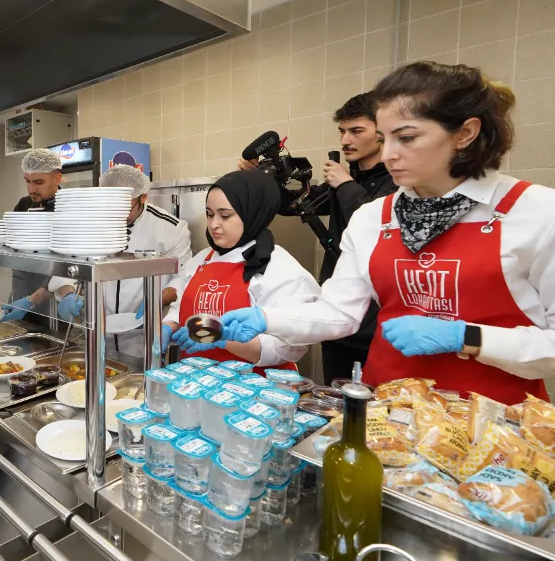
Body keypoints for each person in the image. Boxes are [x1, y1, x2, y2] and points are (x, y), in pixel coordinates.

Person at [219, 61, 555, 404]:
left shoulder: (536, 212)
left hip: (497, 424)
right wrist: (267, 318)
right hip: (388, 411)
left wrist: (467, 337)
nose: (390, 154)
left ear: (465, 133)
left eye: (406, 137)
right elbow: (340, 314)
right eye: (385, 138)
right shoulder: (372, 218)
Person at [239, 94, 396, 383]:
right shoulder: (345, 182)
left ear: (383, 133)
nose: (345, 140)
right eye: (342, 131)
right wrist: (261, 179)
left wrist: (345, 185)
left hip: (377, 320)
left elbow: (378, 224)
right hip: (335, 309)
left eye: (356, 131)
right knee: (336, 392)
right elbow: (293, 206)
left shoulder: (395, 182)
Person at [161, 170, 321, 374]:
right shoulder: (201, 259)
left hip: (254, 393)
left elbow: (290, 348)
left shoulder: (279, 268)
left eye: (225, 215)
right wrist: (168, 325)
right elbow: (182, 306)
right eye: (209, 214)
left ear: (252, 213)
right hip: (196, 386)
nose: (213, 224)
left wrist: (222, 340)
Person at [49, 164, 192, 358]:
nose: (115, 213)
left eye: (124, 206)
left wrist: (157, 300)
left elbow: (183, 277)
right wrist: (68, 294)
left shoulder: (171, 229)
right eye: (110, 204)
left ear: (143, 198)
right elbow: (68, 263)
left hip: (142, 337)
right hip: (94, 331)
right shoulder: (88, 223)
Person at [2, 149, 75, 322]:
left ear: (57, 178)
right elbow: (12, 238)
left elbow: (70, 262)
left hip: (53, 288)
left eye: (39, 182)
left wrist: (34, 298)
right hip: (22, 283)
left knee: (51, 338)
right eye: (27, 181)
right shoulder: (23, 204)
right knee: (18, 330)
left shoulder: (69, 207)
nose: (31, 189)